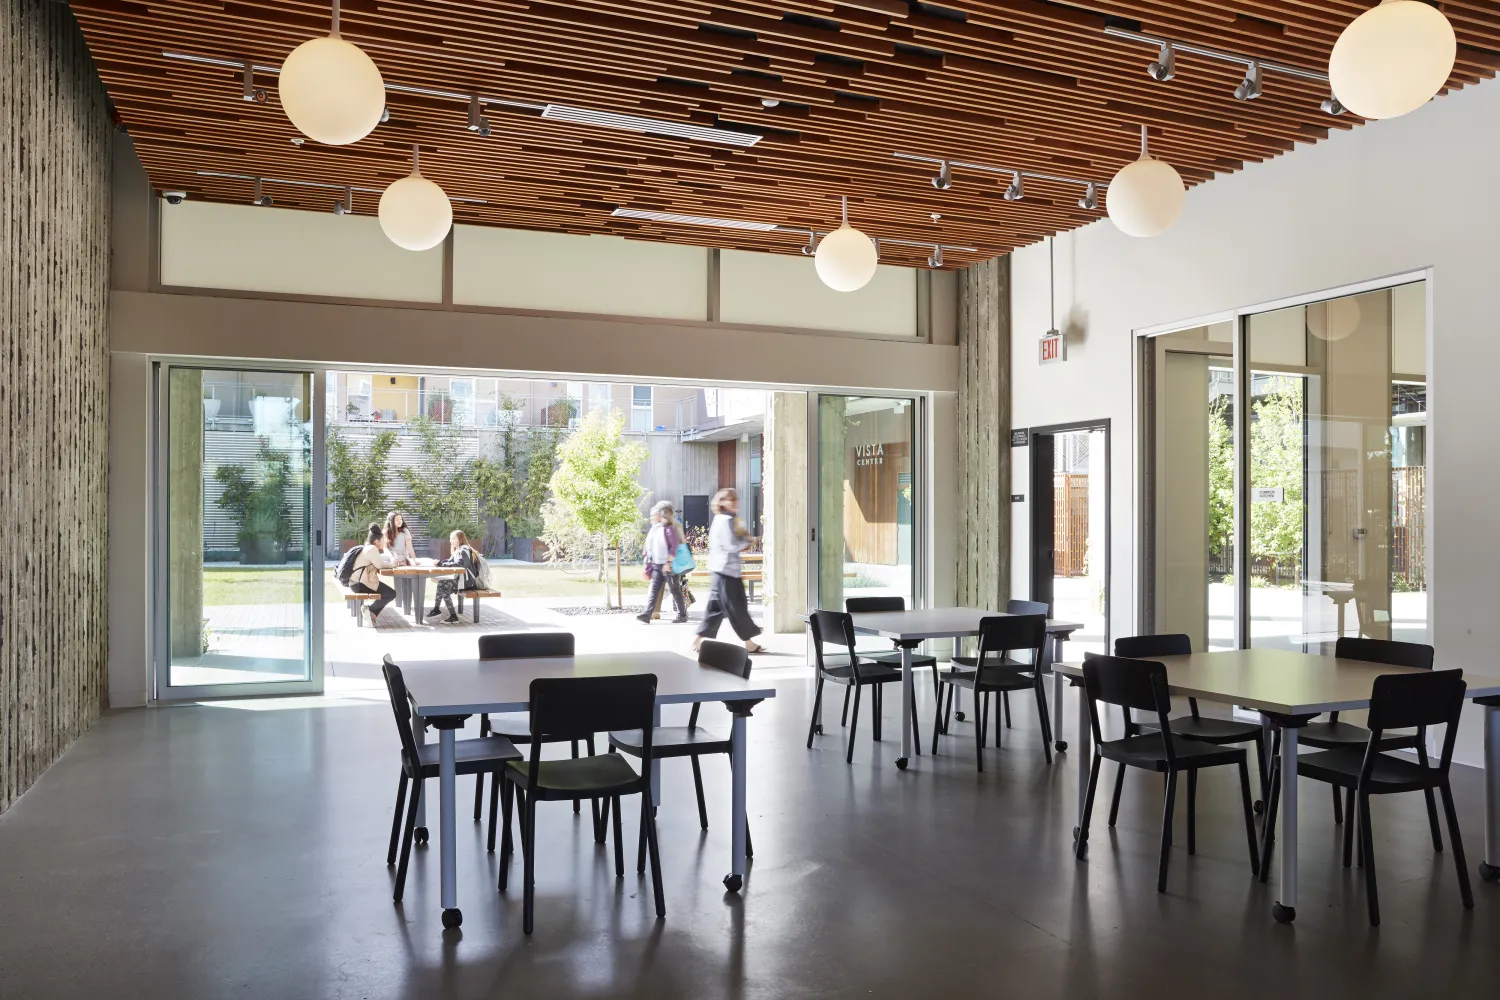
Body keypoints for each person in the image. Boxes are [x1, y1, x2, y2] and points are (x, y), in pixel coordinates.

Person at [694, 488, 764, 653]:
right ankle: (749, 643)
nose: (735, 503)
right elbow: (731, 546)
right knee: (737, 607)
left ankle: (697, 640)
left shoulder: (724, 519)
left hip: (721, 571)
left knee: (716, 609)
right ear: (722, 503)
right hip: (727, 573)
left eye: (736, 499)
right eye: (730, 500)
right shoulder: (725, 520)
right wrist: (748, 542)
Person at [637, 501, 687, 625]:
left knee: (675, 590)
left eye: (657, 513)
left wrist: (668, 562)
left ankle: (683, 615)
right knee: (654, 590)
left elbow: (674, 546)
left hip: (667, 565)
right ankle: (647, 614)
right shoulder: (656, 528)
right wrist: (648, 564)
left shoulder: (669, 528)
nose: (654, 516)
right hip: (657, 565)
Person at [428, 529, 480, 624]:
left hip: (467, 582)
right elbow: (450, 561)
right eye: (450, 538)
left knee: (443, 587)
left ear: (459, 539)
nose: (450, 541)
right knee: (441, 583)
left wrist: (440, 563)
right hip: (462, 580)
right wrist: (439, 562)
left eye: (453, 538)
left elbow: (460, 564)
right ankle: (436, 609)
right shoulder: (459, 550)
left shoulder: (464, 550)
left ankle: (453, 616)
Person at [349, 523, 396, 622]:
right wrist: (393, 564)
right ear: (376, 541)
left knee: (388, 592)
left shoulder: (367, 547)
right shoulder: (372, 549)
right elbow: (379, 565)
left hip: (356, 582)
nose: (384, 542)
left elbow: (378, 561)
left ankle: (371, 614)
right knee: (390, 593)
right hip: (360, 584)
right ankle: (369, 610)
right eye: (383, 540)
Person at [384, 511, 417, 611]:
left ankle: (407, 605)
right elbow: (386, 549)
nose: (400, 521)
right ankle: (399, 603)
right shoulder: (386, 532)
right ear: (391, 521)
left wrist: (414, 560)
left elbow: (409, 547)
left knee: (406, 578)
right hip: (391, 557)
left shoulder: (405, 531)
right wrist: (392, 557)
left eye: (401, 519)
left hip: (402, 557)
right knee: (382, 558)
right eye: (397, 519)